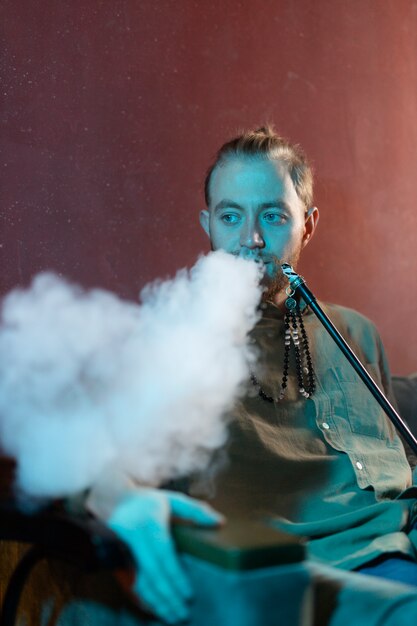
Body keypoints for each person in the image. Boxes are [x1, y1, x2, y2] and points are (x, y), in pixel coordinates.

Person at [87, 126, 417, 625]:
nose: (252, 240)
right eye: (231, 216)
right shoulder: (170, 335)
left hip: (394, 540)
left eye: (273, 215)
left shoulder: (355, 332)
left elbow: (394, 473)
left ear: (308, 225)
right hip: (289, 567)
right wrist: (121, 498)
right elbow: (95, 458)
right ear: (208, 225)